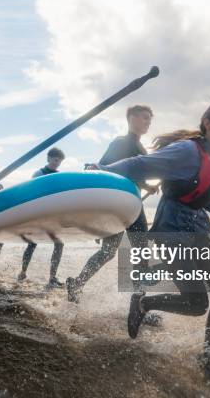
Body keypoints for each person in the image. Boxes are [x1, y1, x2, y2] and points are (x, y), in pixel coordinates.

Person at [95, 98, 210, 383]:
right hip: (172, 231)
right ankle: (142, 305)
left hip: (198, 232)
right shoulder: (187, 151)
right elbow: (139, 164)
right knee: (196, 302)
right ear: (208, 123)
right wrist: (98, 170)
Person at [66, 105, 158, 303]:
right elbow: (105, 169)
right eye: (144, 118)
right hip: (123, 205)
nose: (148, 122)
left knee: (117, 253)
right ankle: (139, 305)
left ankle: (78, 283)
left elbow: (132, 173)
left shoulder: (140, 147)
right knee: (137, 254)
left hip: (127, 204)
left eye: (150, 119)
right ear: (130, 118)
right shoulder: (121, 142)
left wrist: (147, 186)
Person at [17, 147, 66, 289]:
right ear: (49, 158)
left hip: (51, 216)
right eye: (56, 159)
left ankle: (52, 278)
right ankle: (23, 272)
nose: (57, 163)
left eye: (60, 161)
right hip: (38, 214)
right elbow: (31, 193)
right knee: (32, 244)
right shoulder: (39, 173)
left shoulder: (59, 176)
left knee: (59, 244)